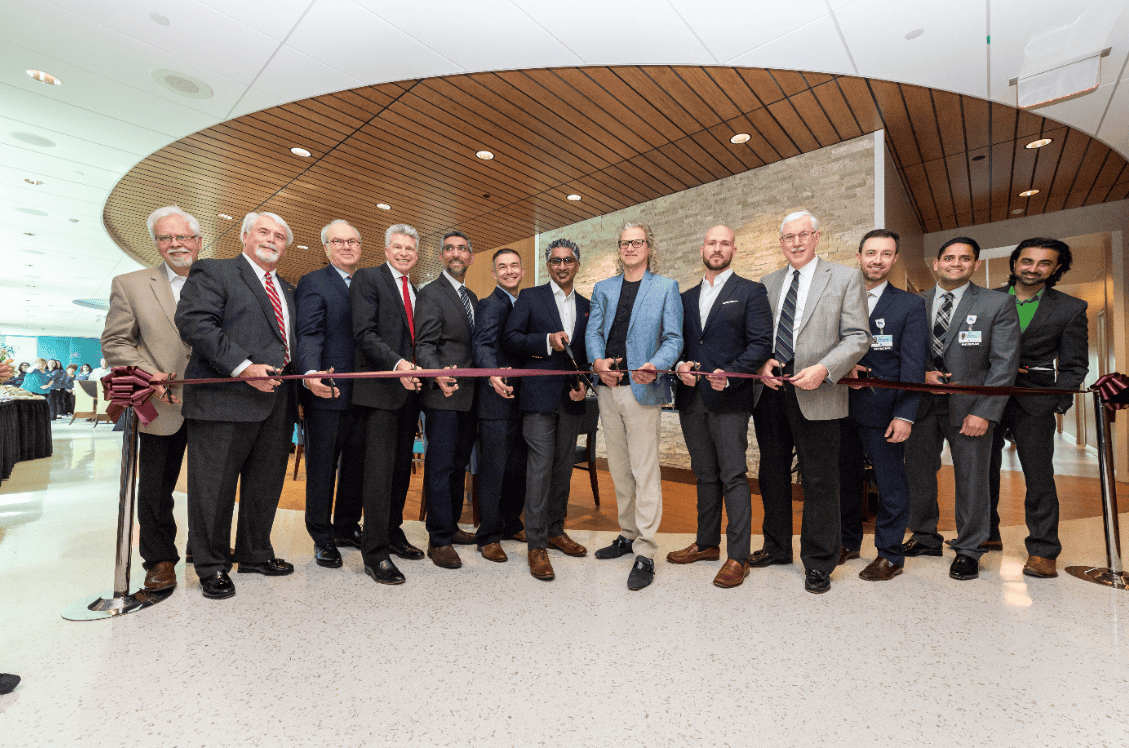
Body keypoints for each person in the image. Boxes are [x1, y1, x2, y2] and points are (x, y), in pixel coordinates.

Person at [175, 211, 307, 600]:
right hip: (223, 398)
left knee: (265, 484)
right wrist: (244, 367)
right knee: (213, 488)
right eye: (263, 232)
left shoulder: (289, 288)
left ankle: (254, 552)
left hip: (277, 400)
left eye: (279, 236)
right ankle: (211, 564)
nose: (271, 239)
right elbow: (195, 323)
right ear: (245, 237)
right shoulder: (214, 271)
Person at [751, 210, 871, 594]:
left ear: (817, 237)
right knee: (772, 474)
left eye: (803, 235)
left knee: (820, 479)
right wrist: (762, 362)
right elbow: (757, 336)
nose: (797, 242)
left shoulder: (845, 277)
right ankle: (776, 546)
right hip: (771, 393)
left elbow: (857, 337)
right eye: (789, 237)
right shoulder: (766, 283)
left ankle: (819, 561)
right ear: (781, 242)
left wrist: (824, 368)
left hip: (818, 390)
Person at [900, 237, 1020, 581]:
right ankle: (924, 537)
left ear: (976, 265)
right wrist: (921, 373)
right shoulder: (913, 303)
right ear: (935, 264)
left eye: (964, 258)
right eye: (949, 258)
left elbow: (1004, 364)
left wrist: (985, 411)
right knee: (919, 474)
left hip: (971, 408)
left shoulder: (997, 304)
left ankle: (969, 549)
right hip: (920, 405)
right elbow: (905, 352)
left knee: (972, 479)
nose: (956, 263)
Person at [101, 205, 201, 592]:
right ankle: (159, 559)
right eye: (165, 237)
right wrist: (146, 373)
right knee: (157, 487)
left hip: (216, 402)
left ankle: (205, 546)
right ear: (157, 244)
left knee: (213, 482)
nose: (175, 243)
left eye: (183, 236)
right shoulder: (130, 283)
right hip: (161, 403)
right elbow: (115, 341)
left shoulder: (220, 281)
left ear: (197, 240)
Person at [670, 225, 773, 588]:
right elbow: (678, 342)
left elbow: (761, 344)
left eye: (724, 243)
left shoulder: (751, 291)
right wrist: (679, 364)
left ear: (733, 249)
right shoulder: (684, 297)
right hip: (691, 398)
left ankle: (738, 556)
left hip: (729, 398)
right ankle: (706, 543)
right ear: (702, 248)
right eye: (712, 243)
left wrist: (730, 375)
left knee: (732, 474)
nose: (717, 248)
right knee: (704, 473)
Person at [587, 221, 683, 591]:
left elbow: (674, 338)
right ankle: (627, 534)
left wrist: (656, 365)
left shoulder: (665, 288)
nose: (630, 248)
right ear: (619, 248)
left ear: (648, 247)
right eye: (625, 243)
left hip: (641, 389)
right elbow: (593, 333)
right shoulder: (603, 288)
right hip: (608, 389)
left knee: (644, 472)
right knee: (619, 468)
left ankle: (645, 550)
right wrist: (597, 362)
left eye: (637, 242)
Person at [986, 238, 1088, 578]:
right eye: (1026, 261)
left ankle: (1044, 550)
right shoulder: (987, 300)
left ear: (1056, 268)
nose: (1033, 268)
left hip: (1036, 401)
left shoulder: (1070, 308)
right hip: (987, 398)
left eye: (1044, 263)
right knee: (982, 469)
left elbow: (1074, 365)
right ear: (1015, 262)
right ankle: (986, 533)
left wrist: (1057, 400)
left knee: (1039, 477)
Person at [836, 229, 928, 582]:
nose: (877, 260)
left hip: (884, 413)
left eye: (886, 254)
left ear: (893, 260)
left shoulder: (909, 305)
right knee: (845, 481)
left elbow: (913, 366)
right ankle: (847, 542)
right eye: (870, 253)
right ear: (858, 257)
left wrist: (905, 414)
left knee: (890, 485)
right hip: (839, 407)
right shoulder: (839, 297)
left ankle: (890, 554)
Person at [503, 238, 590, 581]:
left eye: (568, 260)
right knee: (539, 470)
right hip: (537, 398)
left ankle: (555, 530)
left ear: (576, 264)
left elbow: (583, 350)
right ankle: (536, 544)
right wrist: (545, 341)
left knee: (562, 468)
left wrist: (583, 379)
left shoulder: (586, 304)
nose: (562, 266)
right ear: (548, 265)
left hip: (570, 399)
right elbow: (510, 339)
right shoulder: (530, 297)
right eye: (555, 261)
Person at [350, 224, 426, 585]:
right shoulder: (368, 279)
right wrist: (398, 366)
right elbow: (365, 333)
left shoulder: (416, 289)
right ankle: (375, 553)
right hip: (379, 392)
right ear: (385, 249)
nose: (405, 253)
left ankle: (393, 534)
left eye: (410, 248)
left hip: (410, 393)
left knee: (400, 471)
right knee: (378, 475)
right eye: (398, 246)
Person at [295, 219, 366, 569]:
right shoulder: (313, 282)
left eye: (352, 241)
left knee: (356, 467)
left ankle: (346, 526)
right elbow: (308, 334)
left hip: (367, 393)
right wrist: (310, 373)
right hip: (328, 390)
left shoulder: (367, 282)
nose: (347, 246)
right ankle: (322, 536)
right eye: (338, 241)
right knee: (323, 468)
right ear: (325, 247)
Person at [415, 231, 480, 569]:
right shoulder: (430, 294)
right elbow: (424, 345)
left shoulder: (471, 297)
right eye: (450, 249)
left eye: (462, 249)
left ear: (470, 257)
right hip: (443, 395)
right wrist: (436, 372)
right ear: (442, 256)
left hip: (469, 398)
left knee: (458, 466)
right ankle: (438, 540)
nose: (456, 254)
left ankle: (451, 527)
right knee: (440, 468)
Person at [471, 248, 529, 562]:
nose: (509, 271)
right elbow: (482, 343)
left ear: (522, 270)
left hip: (522, 400)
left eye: (514, 265)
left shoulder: (527, 303)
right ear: (494, 274)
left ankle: (511, 523)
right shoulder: (489, 304)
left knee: (516, 469)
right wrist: (492, 374)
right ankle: (488, 536)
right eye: (502, 267)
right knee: (493, 470)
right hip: (495, 399)